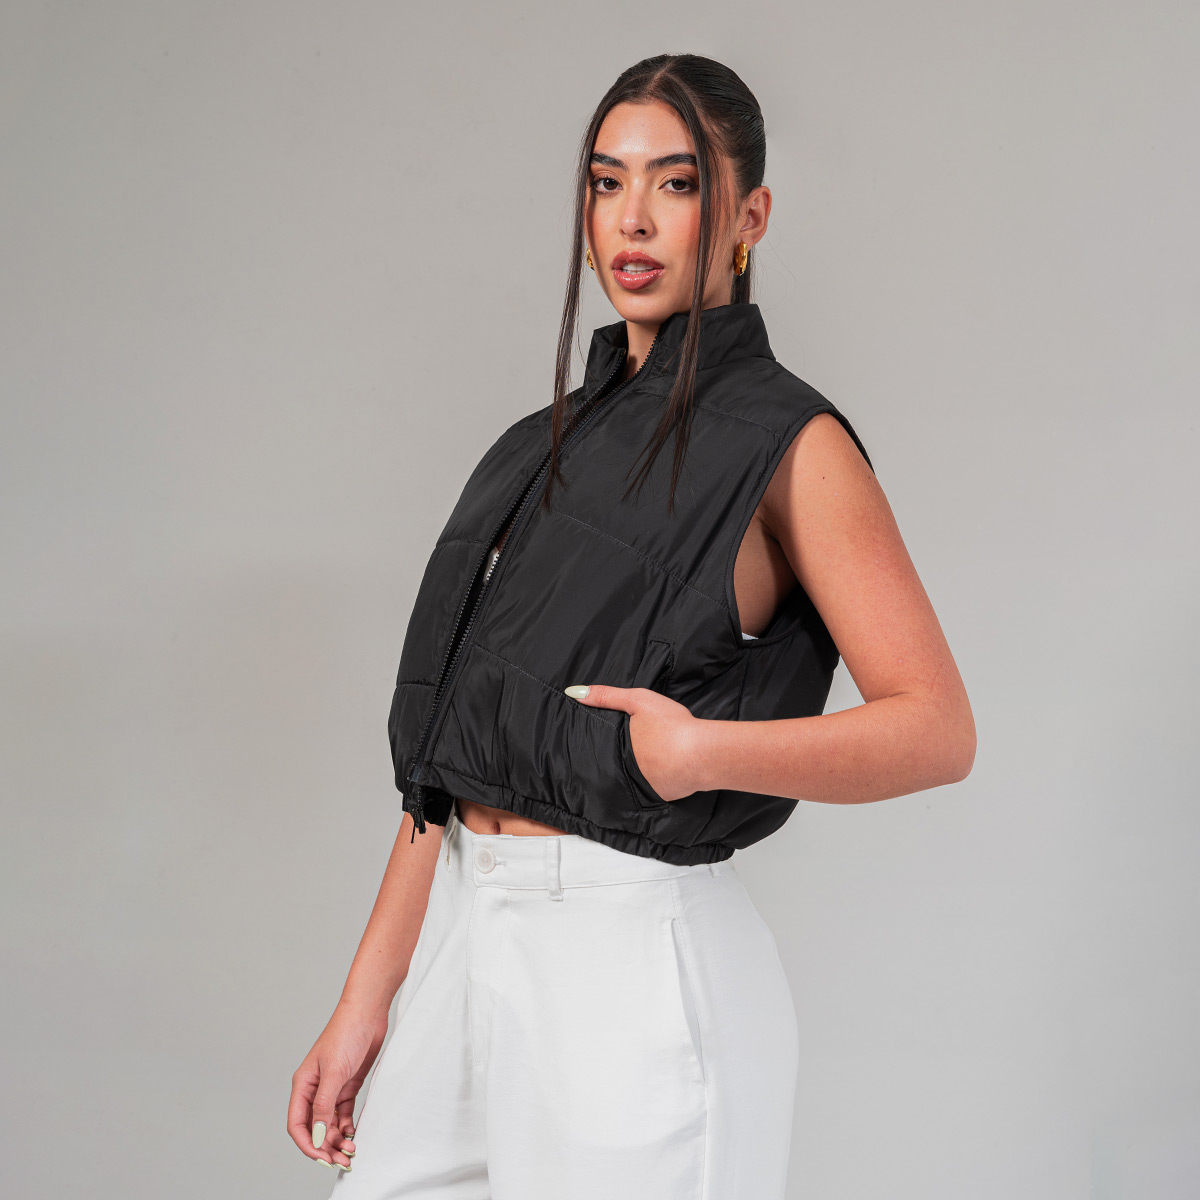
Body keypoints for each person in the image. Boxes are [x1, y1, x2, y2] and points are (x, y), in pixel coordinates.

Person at [288, 53, 975, 1199]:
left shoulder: (790, 444)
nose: (633, 219)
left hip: (631, 963)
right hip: (469, 936)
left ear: (750, 216)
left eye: (678, 182)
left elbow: (937, 728)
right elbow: (452, 760)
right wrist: (368, 1000)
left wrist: (700, 752)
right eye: (607, 183)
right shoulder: (535, 448)